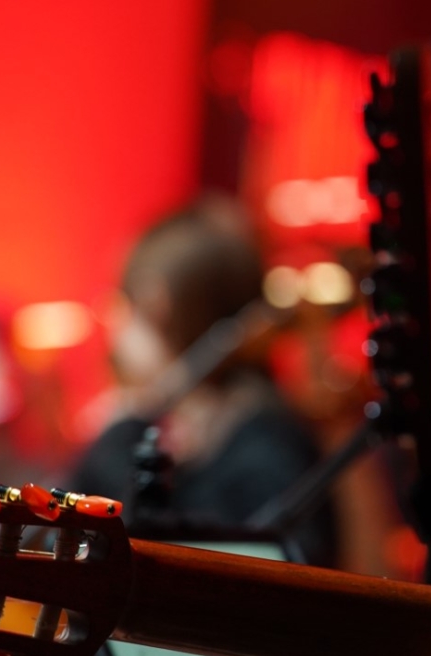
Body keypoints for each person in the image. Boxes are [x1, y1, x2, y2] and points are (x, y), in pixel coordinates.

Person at [69, 198, 334, 565]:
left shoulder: (267, 444)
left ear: (156, 301)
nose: (114, 324)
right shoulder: (247, 431)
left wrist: (121, 434)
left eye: (123, 303)